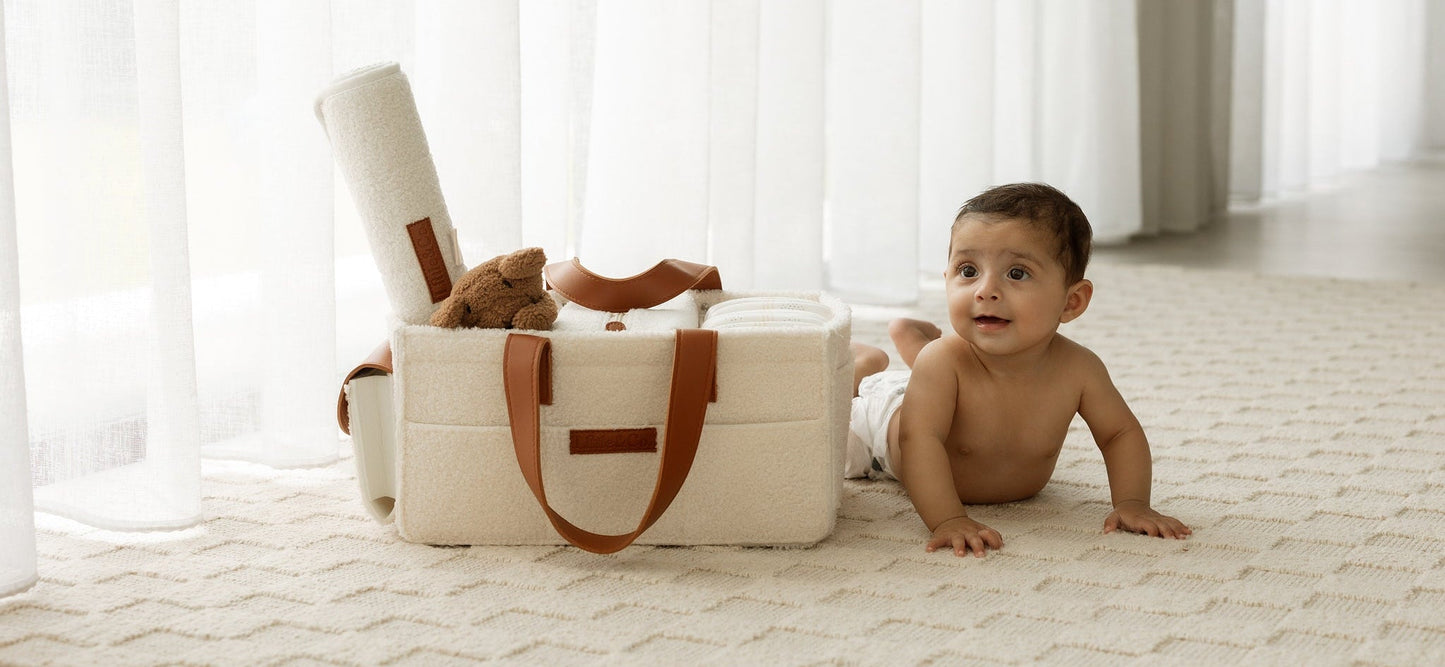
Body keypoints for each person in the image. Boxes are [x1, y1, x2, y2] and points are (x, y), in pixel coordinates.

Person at [847, 182, 1191, 558]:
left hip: (933, 387)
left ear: (1071, 302)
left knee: (929, 379)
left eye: (1016, 274)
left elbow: (1119, 432)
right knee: (837, 436)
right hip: (883, 425)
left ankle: (908, 339)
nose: (985, 290)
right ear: (947, 279)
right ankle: (864, 364)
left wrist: (1133, 502)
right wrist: (947, 518)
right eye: (968, 270)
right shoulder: (943, 362)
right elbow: (919, 440)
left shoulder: (1079, 369)